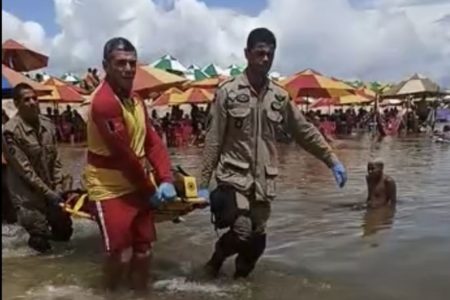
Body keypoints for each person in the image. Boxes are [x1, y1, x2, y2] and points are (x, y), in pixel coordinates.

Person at [198, 28, 347, 279]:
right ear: (247, 54)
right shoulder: (228, 92)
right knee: (243, 229)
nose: (265, 59)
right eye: (260, 53)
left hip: (263, 183)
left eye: (270, 54)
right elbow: (213, 141)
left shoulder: (279, 97)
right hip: (232, 180)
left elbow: (304, 131)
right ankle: (216, 259)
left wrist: (331, 160)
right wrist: (202, 183)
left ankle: (239, 285)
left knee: (257, 244)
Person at [84, 37, 177, 293]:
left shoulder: (136, 100)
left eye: (132, 63)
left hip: (138, 183)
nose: (127, 68)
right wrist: (150, 190)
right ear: (106, 65)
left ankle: (141, 295)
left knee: (144, 251)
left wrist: (167, 178)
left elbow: (153, 142)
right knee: (120, 254)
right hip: (109, 187)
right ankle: (109, 295)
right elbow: (123, 156)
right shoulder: (104, 102)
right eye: (120, 63)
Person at [2, 83, 73, 252]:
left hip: (50, 189)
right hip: (27, 195)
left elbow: (55, 160)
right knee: (40, 239)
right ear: (17, 104)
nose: (33, 102)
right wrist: (50, 194)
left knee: (65, 232)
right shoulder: (10, 132)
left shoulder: (48, 125)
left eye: (35, 98)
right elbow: (25, 171)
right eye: (27, 100)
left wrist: (59, 187)